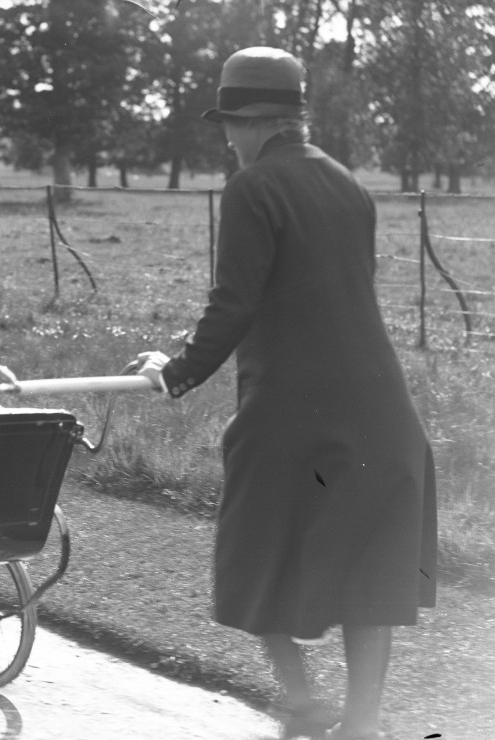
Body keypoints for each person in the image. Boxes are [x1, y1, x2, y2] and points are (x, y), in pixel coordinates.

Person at [138, 47, 436, 740]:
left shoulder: (253, 188)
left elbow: (233, 304)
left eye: (228, 127)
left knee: (250, 548)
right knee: (372, 578)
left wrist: (176, 369)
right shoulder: (347, 183)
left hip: (293, 414)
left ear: (248, 123)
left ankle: (300, 692)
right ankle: (361, 725)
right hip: (382, 413)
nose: (228, 142)